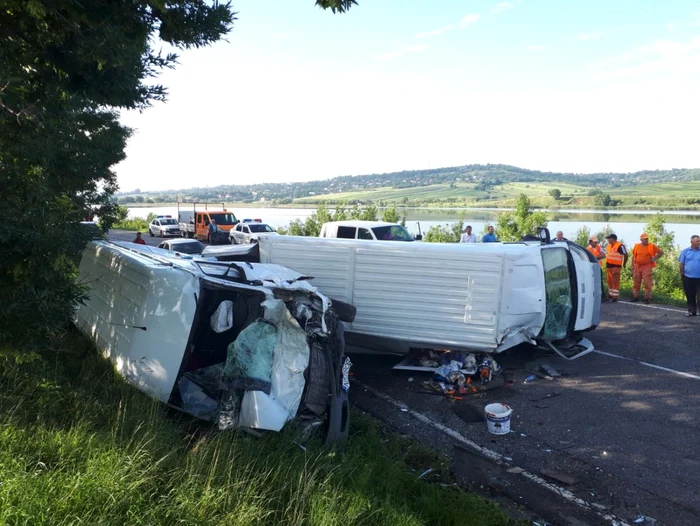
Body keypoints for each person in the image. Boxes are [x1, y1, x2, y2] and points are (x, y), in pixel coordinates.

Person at [630, 233, 664, 304]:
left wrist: (654, 258)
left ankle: (647, 298)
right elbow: (633, 256)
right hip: (637, 266)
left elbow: (661, 252)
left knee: (647, 282)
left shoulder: (651, 246)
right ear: (641, 240)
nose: (646, 240)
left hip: (647, 266)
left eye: (647, 239)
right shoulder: (636, 246)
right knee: (636, 281)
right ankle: (635, 297)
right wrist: (632, 265)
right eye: (645, 239)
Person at [679, 234, 700, 317]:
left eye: (699, 241)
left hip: (699, 277)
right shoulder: (685, 251)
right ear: (691, 242)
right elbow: (681, 264)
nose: (699, 242)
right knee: (690, 295)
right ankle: (692, 311)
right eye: (697, 241)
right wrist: (682, 274)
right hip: (688, 277)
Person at [604, 233, 627, 302]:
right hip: (609, 266)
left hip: (616, 266)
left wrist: (624, 263)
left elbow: (626, 255)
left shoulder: (620, 246)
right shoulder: (609, 246)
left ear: (613, 239)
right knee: (609, 281)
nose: (608, 240)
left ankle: (615, 296)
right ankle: (611, 294)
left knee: (615, 281)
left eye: (609, 239)